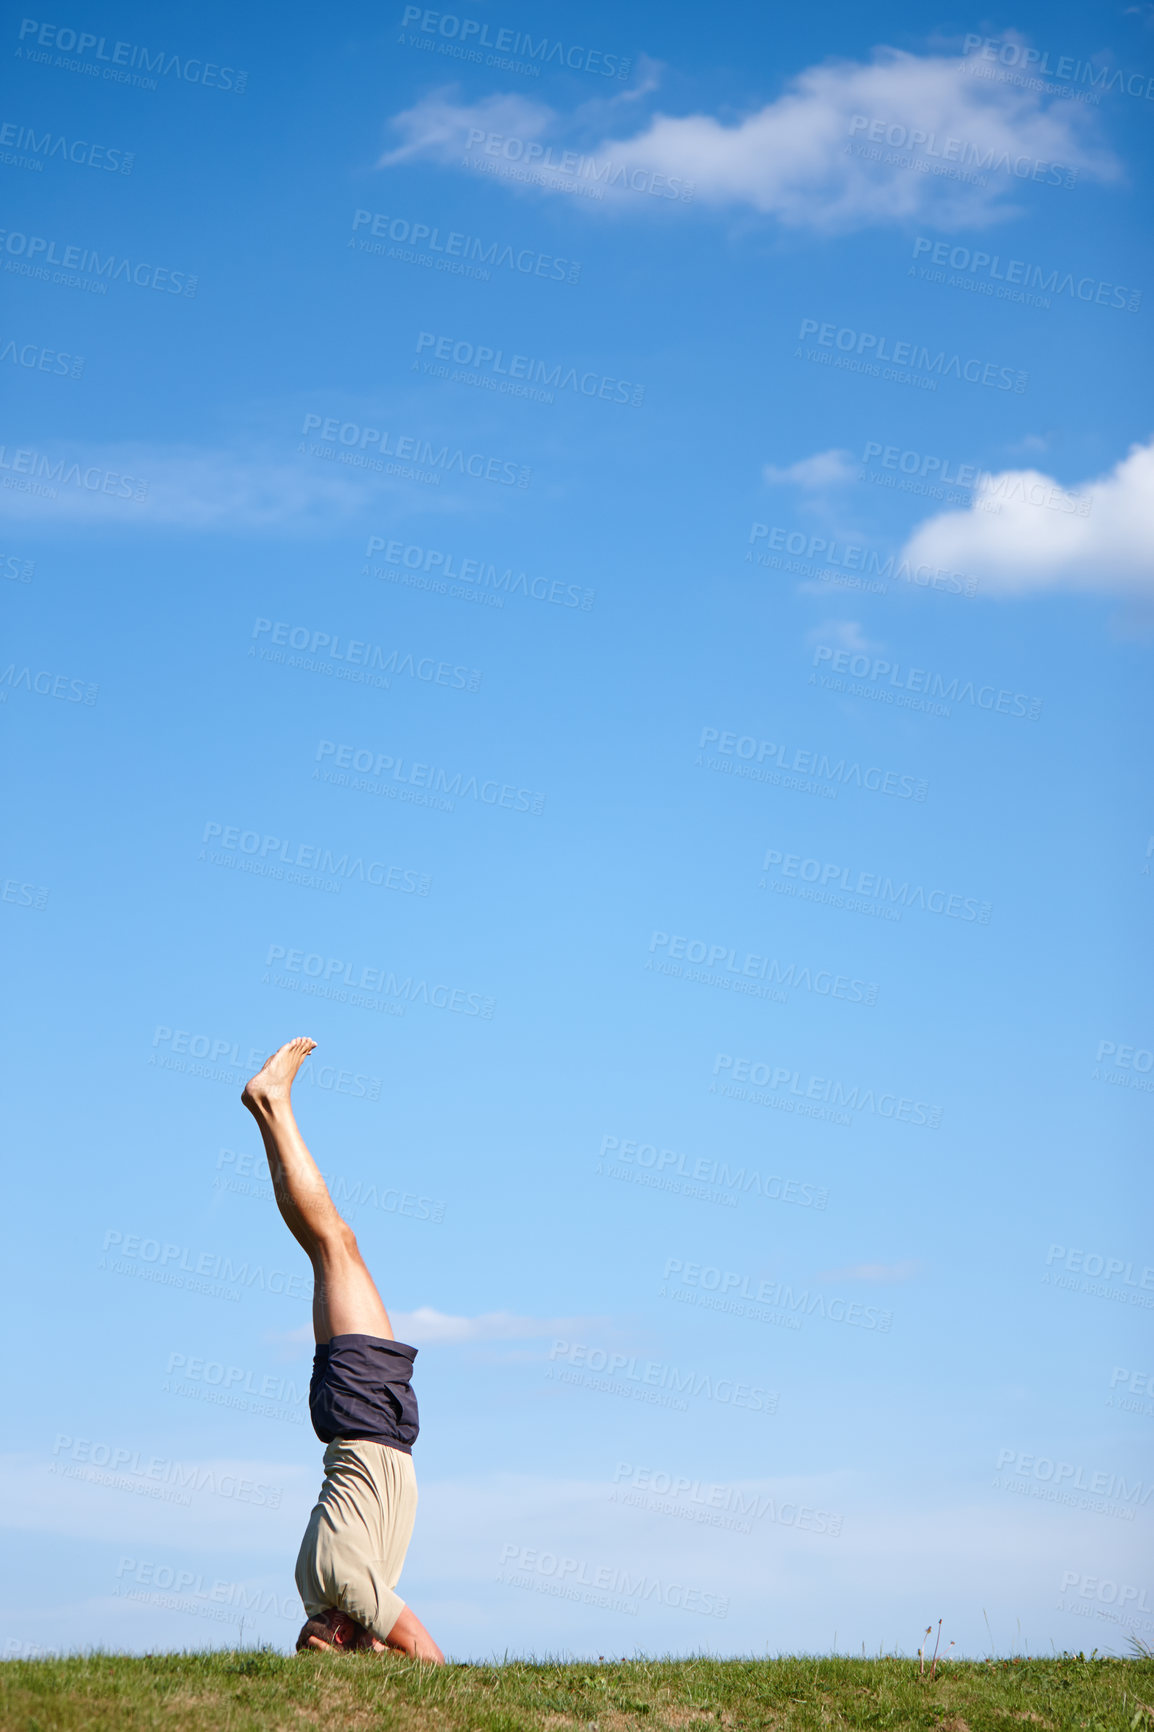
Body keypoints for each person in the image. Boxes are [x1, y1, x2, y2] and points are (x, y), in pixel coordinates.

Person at [241, 1036, 445, 1662]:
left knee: (335, 1241)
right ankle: (269, 1109)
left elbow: (428, 1656)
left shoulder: (351, 1591)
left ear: (343, 1631)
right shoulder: (314, 1586)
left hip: (365, 1421)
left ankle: (273, 1106)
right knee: (326, 1246)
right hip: (350, 1420)